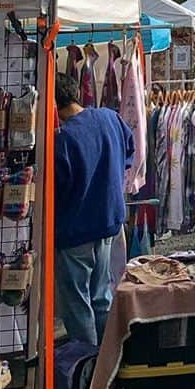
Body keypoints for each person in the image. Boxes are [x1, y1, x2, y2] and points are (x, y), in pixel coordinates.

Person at [54, 72, 134, 346]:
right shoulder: (109, 118)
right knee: (101, 295)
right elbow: (129, 151)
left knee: (78, 303)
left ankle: (86, 368)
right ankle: (109, 358)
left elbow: (58, 187)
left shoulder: (63, 139)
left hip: (76, 229)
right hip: (108, 221)